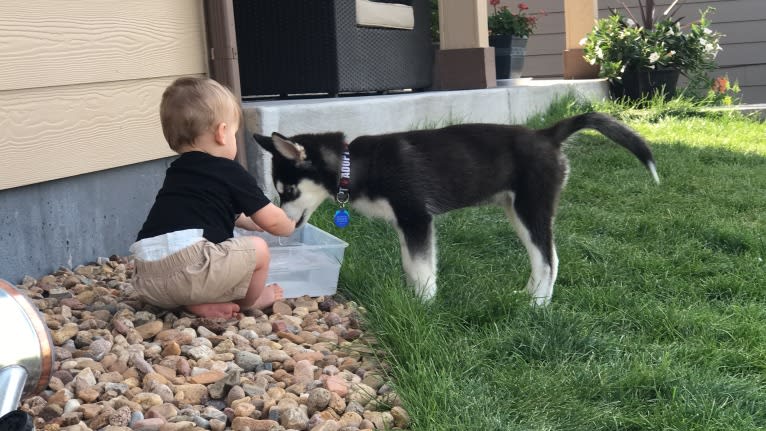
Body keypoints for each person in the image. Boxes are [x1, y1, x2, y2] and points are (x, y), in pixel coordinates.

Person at [129, 77, 295, 319]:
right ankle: (251, 300)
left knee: (197, 268)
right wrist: (289, 223)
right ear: (222, 133)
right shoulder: (229, 170)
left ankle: (192, 304)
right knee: (259, 250)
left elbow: (208, 209)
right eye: (235, 133)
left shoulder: (177, 171)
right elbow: (273, 221)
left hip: (148, 278)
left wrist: (249, 221)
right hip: (190, 270)